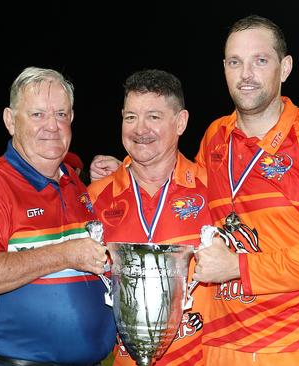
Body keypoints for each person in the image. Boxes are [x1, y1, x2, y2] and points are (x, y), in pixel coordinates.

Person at [190, 15, 299, 365]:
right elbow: (184, 199)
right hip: (226, 344)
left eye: (260, 61)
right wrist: (132, 168)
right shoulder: (214, 138)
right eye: (235, 62)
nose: (246, 74)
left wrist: (238, 266)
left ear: (285, 68)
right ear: (224, 68)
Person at [0, 66, 116, 366]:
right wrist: (64, 255)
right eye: (37, 115)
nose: (52, 126)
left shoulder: (75, 185)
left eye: (61, 114)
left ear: (72, 118)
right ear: (10, 121)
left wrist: (121, 175)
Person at [88, 69, 212, 365]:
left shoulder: (214, 190)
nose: (139, 129)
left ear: (180, 122)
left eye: (154, 117)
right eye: (130, 117)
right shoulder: (95, 197)